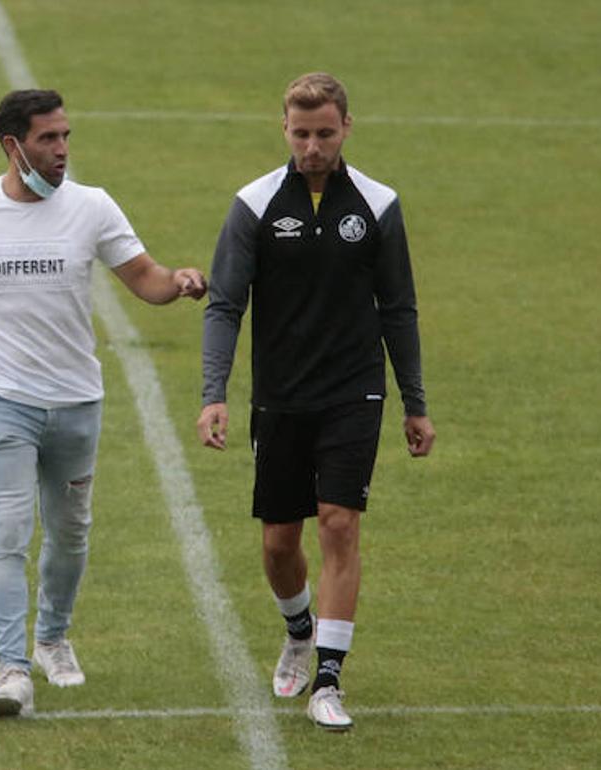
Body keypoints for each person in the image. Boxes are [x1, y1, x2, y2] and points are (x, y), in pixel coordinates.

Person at [0, 89, 207, 719]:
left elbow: (144, 278)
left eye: (66, 136)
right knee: (8, 530)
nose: (63, 149)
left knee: (69, 533)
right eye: (48, 139)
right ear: (13, 146)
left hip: (75, 401)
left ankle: (52, 637)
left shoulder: (91, 208)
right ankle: (11, 668)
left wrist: (177, 282)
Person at [196, 73, 436, 731]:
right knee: (279, 544)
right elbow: (225, 304)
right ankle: (299, 628)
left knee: (338, 522)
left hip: (354, 391)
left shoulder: (379, 206)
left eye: (324, 133)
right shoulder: (253, 205)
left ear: (347, 128)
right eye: (301, 134)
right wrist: (214, 395)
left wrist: (415, 404)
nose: (312, 146)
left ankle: (328, 681)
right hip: (280, 397)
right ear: (284, 130)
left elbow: (400, 307)